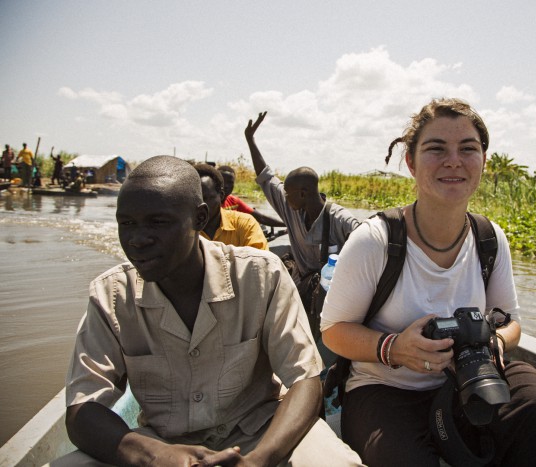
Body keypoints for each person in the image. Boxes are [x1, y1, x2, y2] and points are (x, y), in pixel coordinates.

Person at [321, 98, 536, 466]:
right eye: (436, 149)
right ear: (411, 162)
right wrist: (395, 348)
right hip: (385, 387)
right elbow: (332, 331)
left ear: (483, 162)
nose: (453, 161)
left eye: (467, 149)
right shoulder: (374, 241)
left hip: (468, 381)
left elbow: (511, 323)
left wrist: (490, 342)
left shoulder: (490, 238)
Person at [57, 155, 361, 466]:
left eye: (158, 222)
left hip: (260, 432)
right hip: (162, 442)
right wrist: (154, 455)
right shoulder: (111, 295)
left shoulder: (260, 275)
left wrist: (260, 460)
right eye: (127, 224)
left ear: (200, 218)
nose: (137, 239)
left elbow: (304, 380)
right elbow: (83, 407)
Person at [244, 112, 360, 303]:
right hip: (303, 288)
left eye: (288, 194)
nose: (285, 197)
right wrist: (250, 140)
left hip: (335, 295)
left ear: (303, 194)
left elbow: (369, 243)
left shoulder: (340, 219)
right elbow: (266, 177)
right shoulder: (291, 208)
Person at [193, 163, 268, 250]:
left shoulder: (245, 224)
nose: (200, 205)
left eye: (205, 198)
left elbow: (260, 260)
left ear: (221, 195)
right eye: (194, 199)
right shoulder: (182, 228)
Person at [218, 165, 285, 228]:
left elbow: (261, 218)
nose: (226, 186)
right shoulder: (211, 203)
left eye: (230, 182)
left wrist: (286, 224)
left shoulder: (234, 201)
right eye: (223, 182)